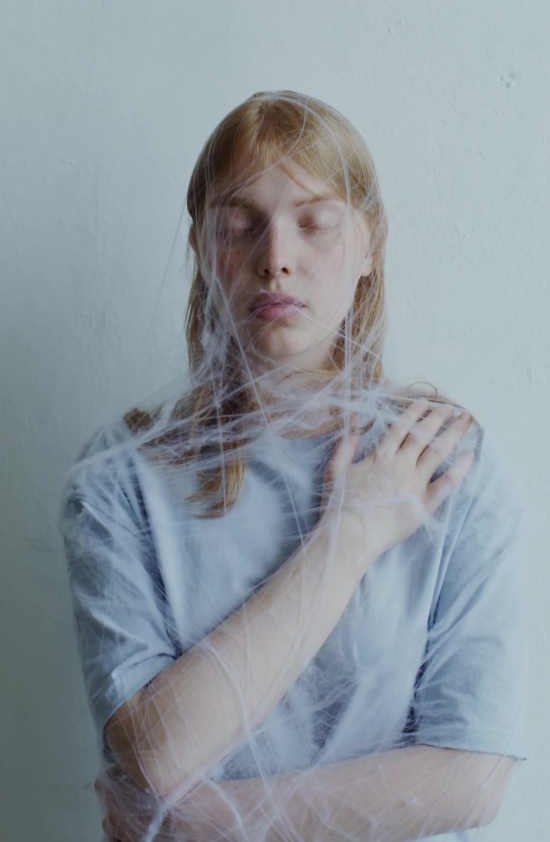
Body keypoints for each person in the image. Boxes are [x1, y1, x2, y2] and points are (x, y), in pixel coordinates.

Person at [61, 91, 526, 842]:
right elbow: (156, 753)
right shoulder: (120, 480)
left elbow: (471, 779)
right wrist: (348, 538)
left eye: (314, 222)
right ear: (200, 247)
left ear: (370, 245)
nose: (276, 257)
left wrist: (204, 822)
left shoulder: (446, 458)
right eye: (239, 224)